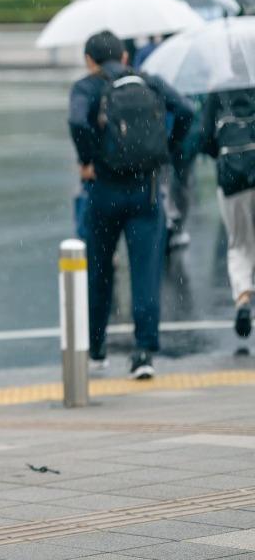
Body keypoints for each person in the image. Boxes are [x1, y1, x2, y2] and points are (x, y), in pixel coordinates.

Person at [68, 31, 194, 379]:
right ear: (124, 56)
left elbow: (77, 120)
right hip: (146, 189)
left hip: (103, 190)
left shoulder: (87, 87)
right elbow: (185, 109)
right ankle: (143, 353)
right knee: (145, 270)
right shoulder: (149, 82)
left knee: (100, 269)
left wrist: (90, 157)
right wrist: (166, 148)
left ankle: (96, 349)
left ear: (89, 60)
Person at [200, 86, 255, 338]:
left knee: (238, 242)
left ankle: (243, 298)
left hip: (232, 174)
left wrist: (219, 152)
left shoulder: (218, 90)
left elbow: (205, 136)